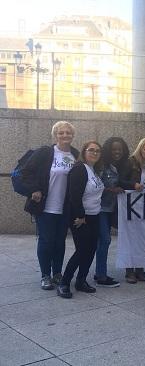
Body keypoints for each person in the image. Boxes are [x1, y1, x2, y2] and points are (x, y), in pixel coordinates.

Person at [21, 121, 79, 290]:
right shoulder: (46, 152)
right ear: (55, 135)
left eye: (68, 132)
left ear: (72, 135)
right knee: (46, 241)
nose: (65, 135)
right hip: (45, 206)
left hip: (65, 207)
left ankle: (57, 273)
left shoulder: (75, 154)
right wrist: (35, 189)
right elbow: (26, 173)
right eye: (61, 133)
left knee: (60, 242)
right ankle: (45, 275)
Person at [56, 141, 105, 298]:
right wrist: (81, 216)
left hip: (94, 215)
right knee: (82, 250)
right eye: (91, 150)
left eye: (98, 151)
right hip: (81, 217)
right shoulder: (79, 169)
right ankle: (64, 283)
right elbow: (74, 196)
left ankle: (81, 280)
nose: (94, 153)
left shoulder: (94, 170)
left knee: (90, 250)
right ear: (84, 152)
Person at [119, 137, 145, 283]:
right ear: (140, 149)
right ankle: (129, 270)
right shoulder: (131, 163)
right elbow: (120, 180)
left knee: (143, 238)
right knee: (130, 237)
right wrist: (133, 185)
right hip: (131, 206)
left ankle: (140, 269)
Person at [94, 137, 129, 288]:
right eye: (114, 149)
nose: (117, 152)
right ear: (108, 150)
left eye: (120, 150)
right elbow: (95, 186)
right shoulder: (102, 166)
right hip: (100, 208)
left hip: (112, 209)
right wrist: (111, 190)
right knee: (105, 240)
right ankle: (101, 275)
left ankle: (99, 272)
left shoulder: (120, 166)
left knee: (103, 241)